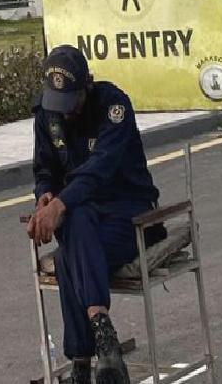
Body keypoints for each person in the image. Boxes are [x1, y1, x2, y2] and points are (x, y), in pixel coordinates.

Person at [27, 46, 160, 384]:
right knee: (77, 222)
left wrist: (60, 205)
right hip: (82, 220)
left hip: (128, 214)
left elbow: (99, 171)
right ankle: (103, 334)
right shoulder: (47, 114)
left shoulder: (113, 107)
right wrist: (45, 195)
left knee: (69, 254)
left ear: (88, 84)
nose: (66, 114)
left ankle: (82, 361)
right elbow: (44, 167)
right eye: (60, 105)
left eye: (72, 103)